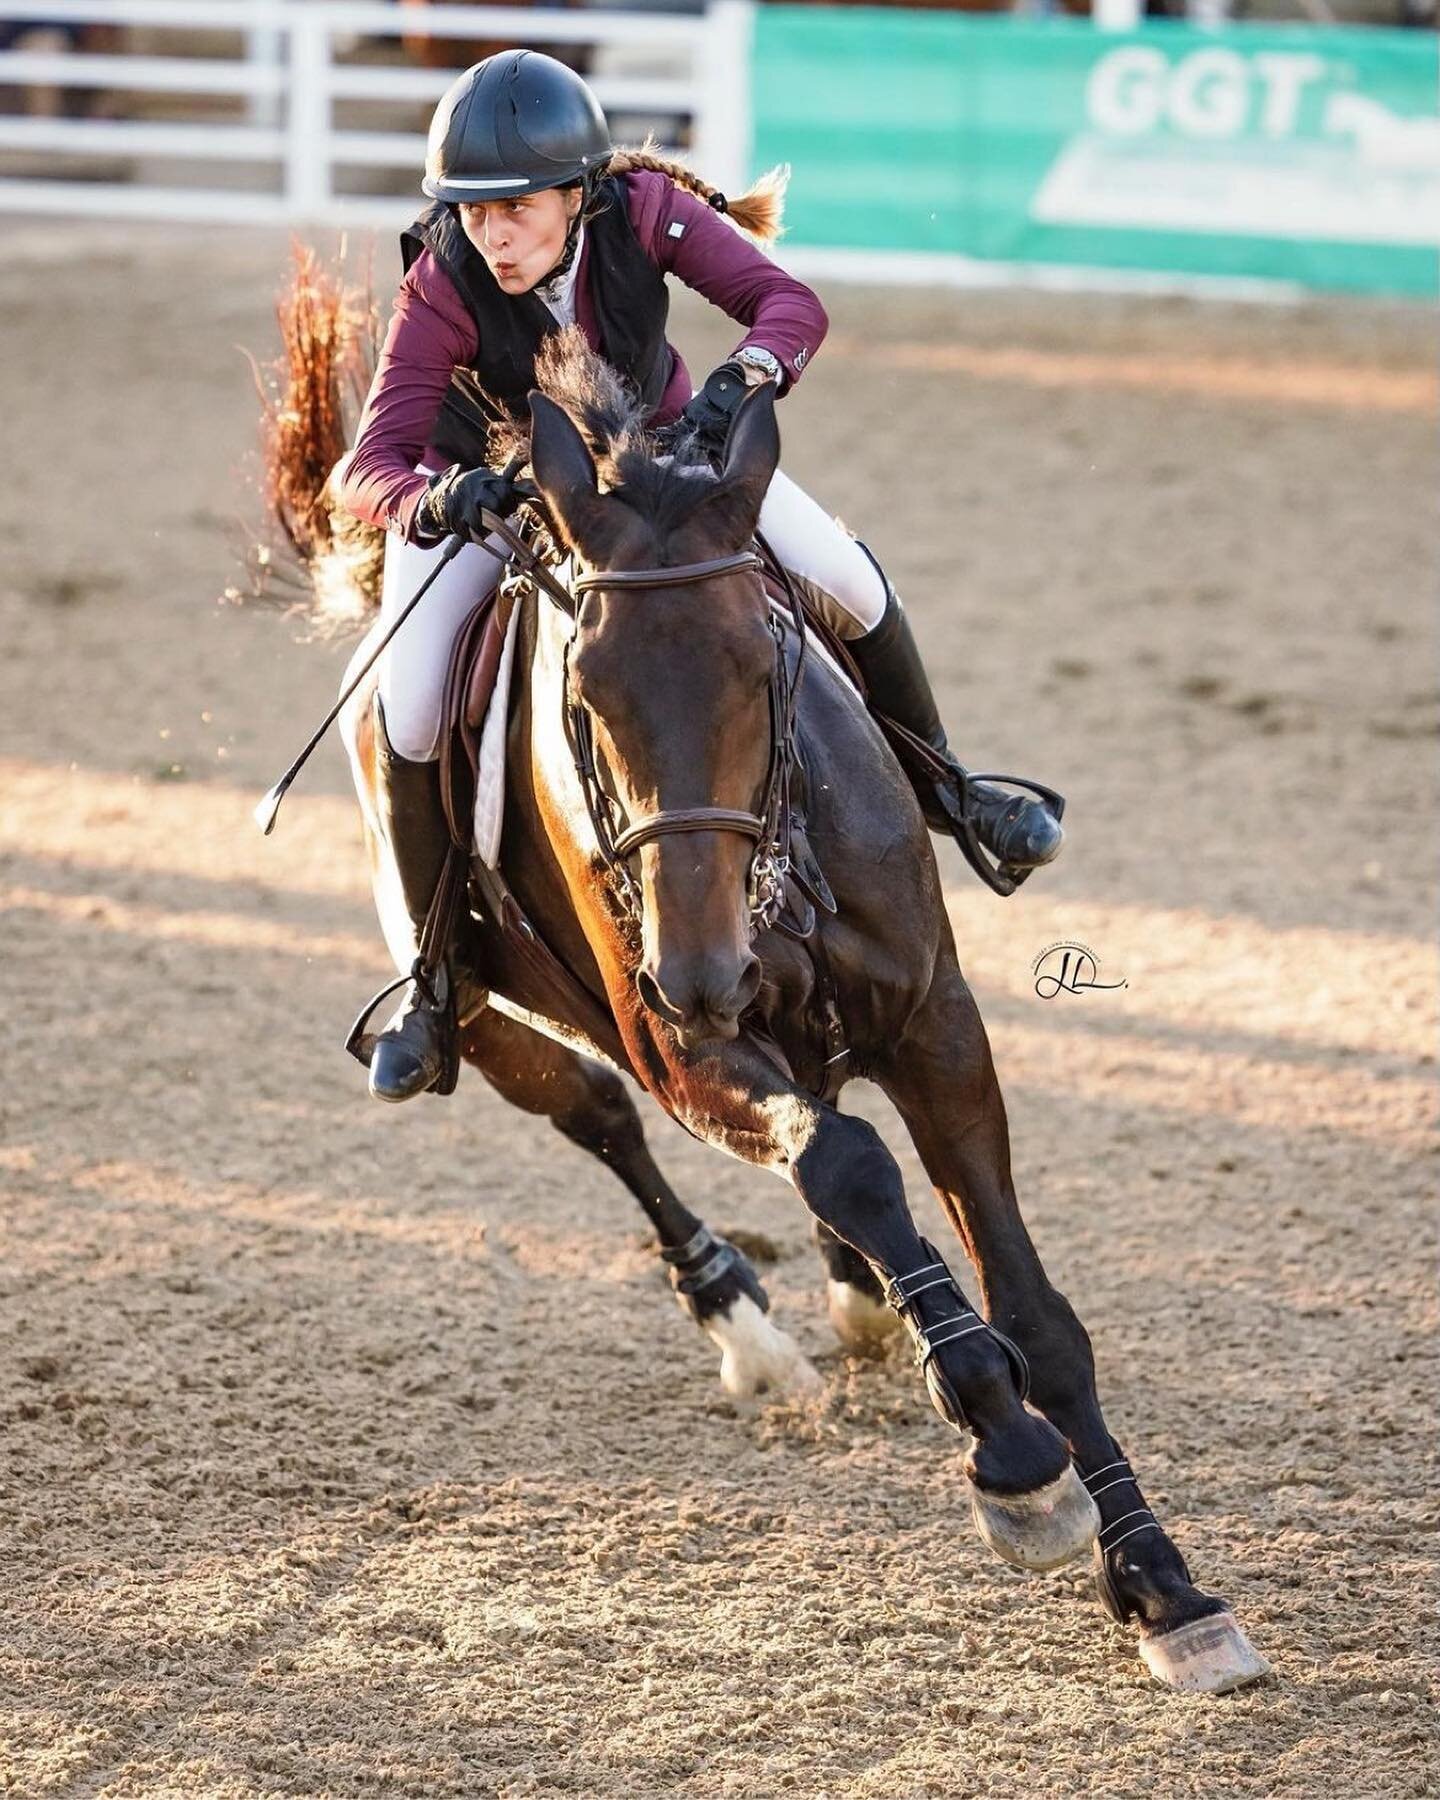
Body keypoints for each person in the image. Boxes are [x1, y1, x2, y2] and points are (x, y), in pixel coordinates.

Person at [337, 48, 1063, 1104]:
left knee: (848, 580)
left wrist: (744, 378)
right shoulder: (443, 275)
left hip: (666, 468)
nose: (494, 234)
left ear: (578, 195)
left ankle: (952, 788)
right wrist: (437, 499)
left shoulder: (641, 213)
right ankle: (433, 979)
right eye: (473, 211)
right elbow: (370, 462)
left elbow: (786, 303)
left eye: (518, 209)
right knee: (405, 708)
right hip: (496, 494)